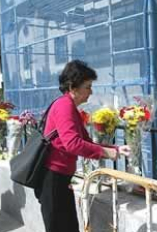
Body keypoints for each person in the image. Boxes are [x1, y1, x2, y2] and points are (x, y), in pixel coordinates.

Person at [34, 60, 131, 232]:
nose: (91, 92)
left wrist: (115, 149)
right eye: (87, 86)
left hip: (60, 179)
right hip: (53, 179)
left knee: (69, 227)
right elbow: (73, 144)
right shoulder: (64, 106)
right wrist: (107, 153)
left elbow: (86, 141)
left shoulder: (70, 107)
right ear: (73, 87)